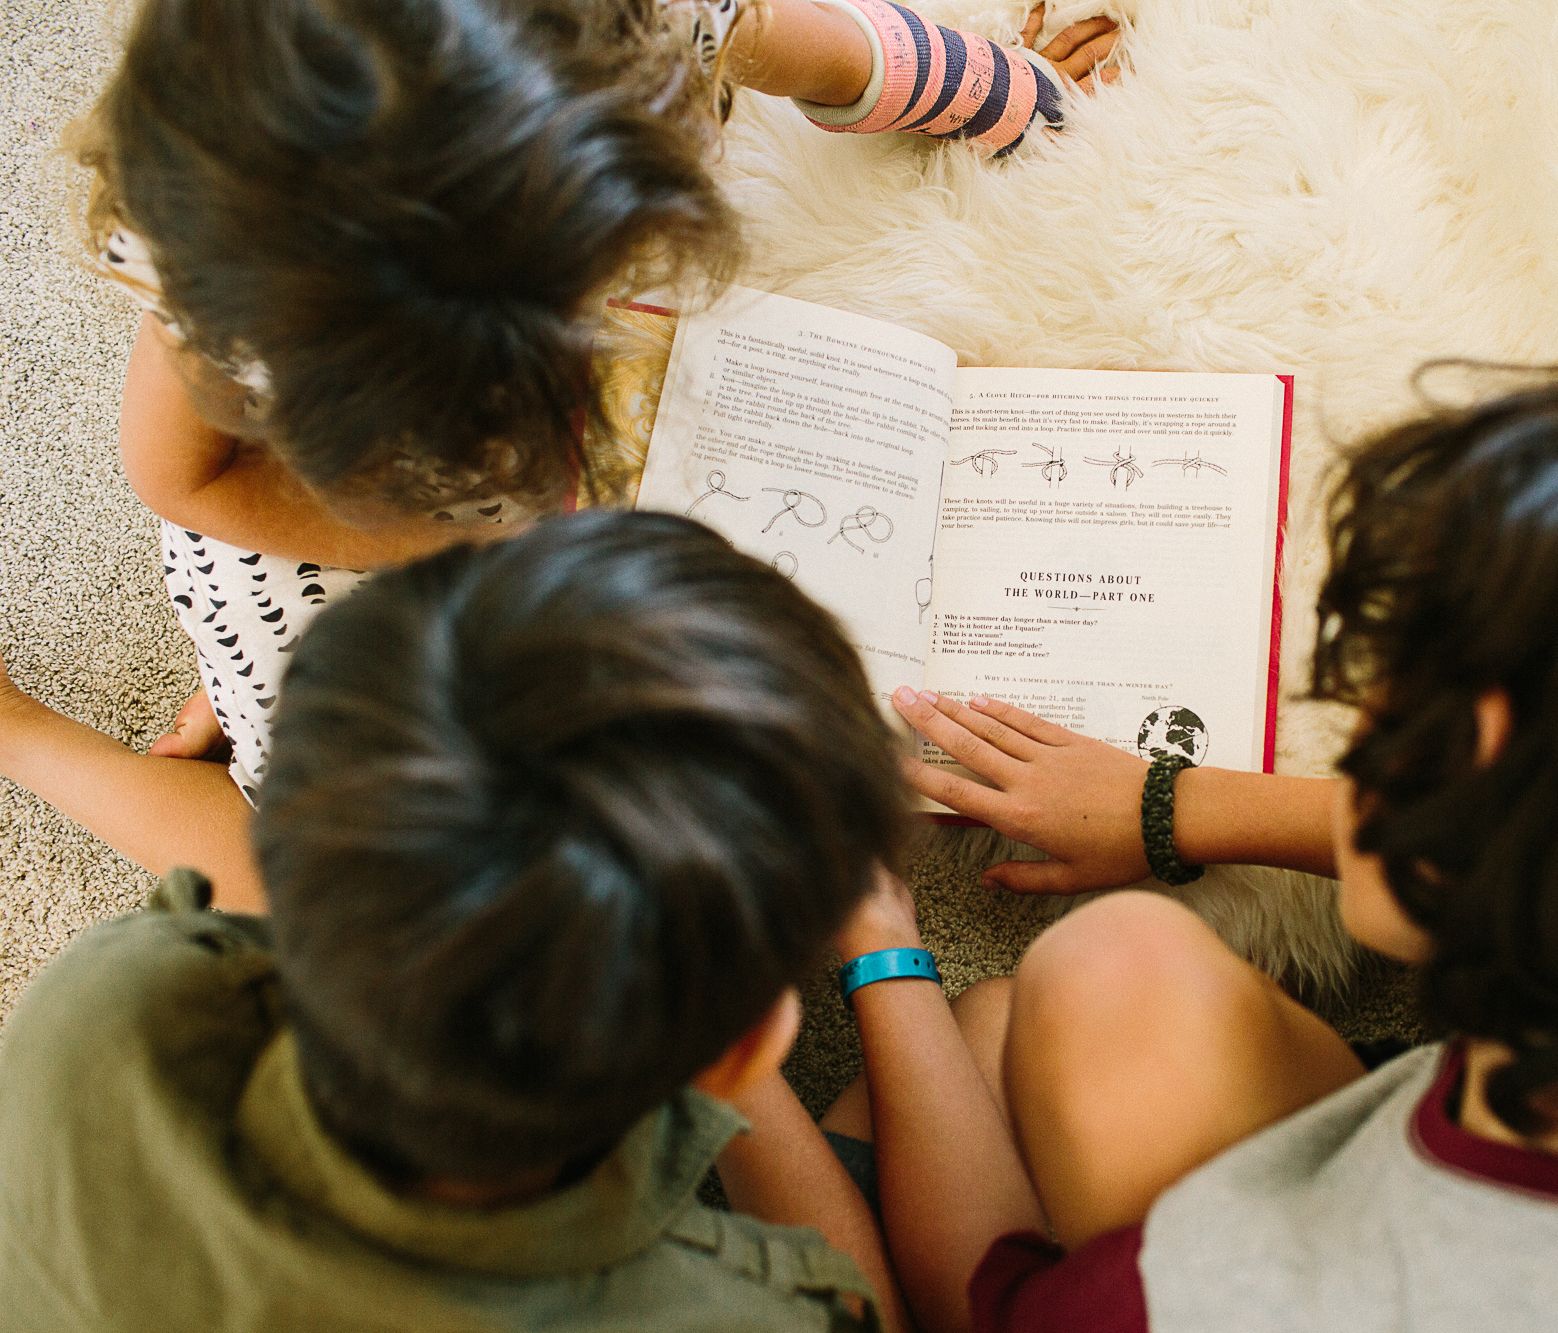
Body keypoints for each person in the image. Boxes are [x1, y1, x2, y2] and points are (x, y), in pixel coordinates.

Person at [831, 347, 1558, 1331]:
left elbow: (985, 1301)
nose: (1359, 731)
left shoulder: (1202, 1303)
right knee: (1055, 995)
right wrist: (1168, 804)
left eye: (1399, 694)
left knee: (929, 1067)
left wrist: (875, 937)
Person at [6, 0, 1117, 904]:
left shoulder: (647, 25)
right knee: (339, 871)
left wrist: (1016, 98)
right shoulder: (216, 280)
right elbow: (185, 477)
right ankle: (26, 732)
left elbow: (835, 54)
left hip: (526, 468)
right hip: (328, 518)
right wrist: (464, 531)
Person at [0, 510, 929, 1331]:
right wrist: (862, 964)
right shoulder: (734, 1315)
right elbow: (861, 1305)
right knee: (957, 1046)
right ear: (738, 1049)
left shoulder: (102, 1005)